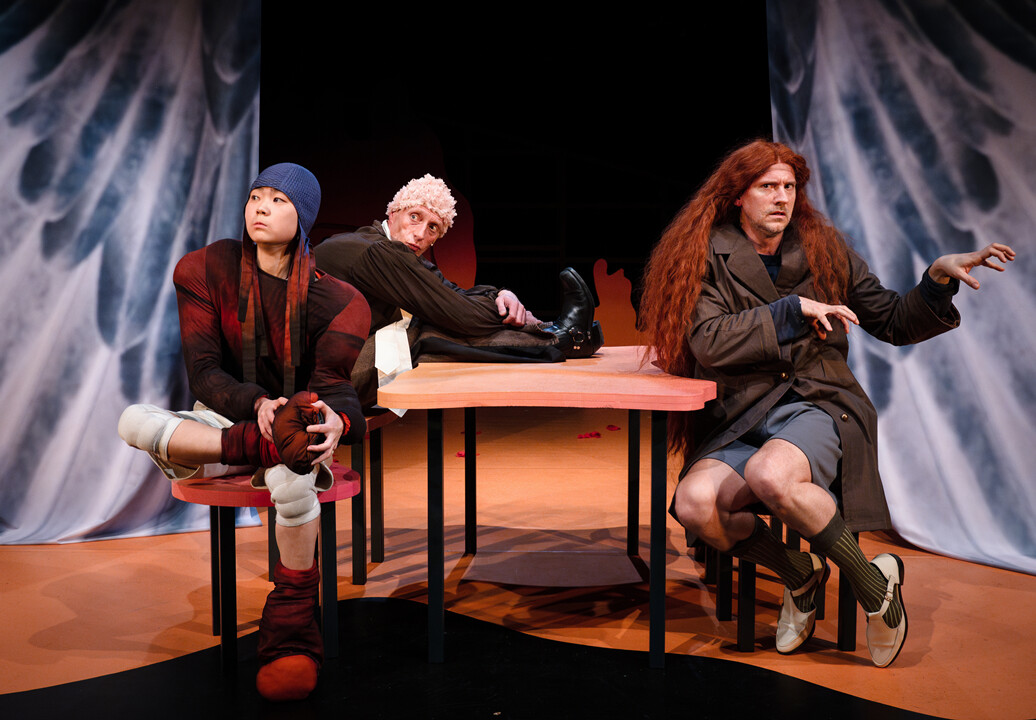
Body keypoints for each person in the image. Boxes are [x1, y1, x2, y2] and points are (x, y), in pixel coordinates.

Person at [639, 140, 1014, 667]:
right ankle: (801, 574)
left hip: (815, 401)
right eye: (767, 187)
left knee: (771, 475)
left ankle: (874, 591)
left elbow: (893, 321)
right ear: (738, 195)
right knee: (695, 504)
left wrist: (936, 280)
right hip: (742, 412)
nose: (781, 198)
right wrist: (792, 310)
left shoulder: (821, 247)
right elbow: (710, 341)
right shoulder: (709, 254)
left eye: (789, 187)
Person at [118, 163, 370, 700]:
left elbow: (335, 386)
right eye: (257, 196)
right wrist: (256, 407)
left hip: (298, 427)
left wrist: (338, 421)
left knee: (293, 481)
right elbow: (205, 373)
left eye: (279, 200)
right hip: (230, 420)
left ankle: (291, 634)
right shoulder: (205, 268)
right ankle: (260, 445)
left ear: (303, 217)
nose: (261, 207)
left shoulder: (342, 300)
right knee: (132, 420)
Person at [314, 174, 603, 407]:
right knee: (425, 332)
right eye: (415, 217)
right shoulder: (374, 252)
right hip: (327, 380)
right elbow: (462, 315)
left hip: (341, 367)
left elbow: (453, 294)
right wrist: (501, 312)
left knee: (425, 325)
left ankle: (558, 335)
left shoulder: (395, 253)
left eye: (433, 228)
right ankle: (561, 338)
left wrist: (501, 295)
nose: (420, 234)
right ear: (393, 213)